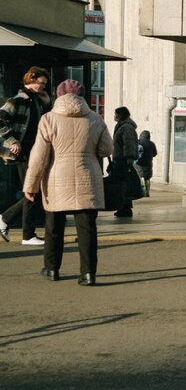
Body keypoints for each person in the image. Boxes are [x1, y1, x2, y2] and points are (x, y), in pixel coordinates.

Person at [22, 79, 113, 285]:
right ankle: (88, 273)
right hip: (87, 177)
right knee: (87, 228)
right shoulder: (95, 119)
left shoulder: (48, 119)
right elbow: (107, 149)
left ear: (58, 95)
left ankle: (52, 268)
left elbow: (39, 156)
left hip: (56, 178)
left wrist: (31, 186)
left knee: (53, 226)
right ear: (81, 95)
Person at [0, 66, 51, 245]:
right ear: (31, 80)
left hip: (33, 152)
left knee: (32, 191)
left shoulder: (36, 100)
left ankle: (7, 220)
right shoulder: (19, 99)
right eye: (41, 83)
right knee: (31, 191)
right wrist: (12, 140)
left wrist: (47, 103)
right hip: (24, 153)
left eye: (45, 84)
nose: (43, 86)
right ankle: (26, 234)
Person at [109, 107, 138, 218]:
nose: (114, 116)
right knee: (121, 184)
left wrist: (129, 157)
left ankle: (125, 207)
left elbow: (129, 143)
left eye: (116, 114)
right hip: (119, 158)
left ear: (120, 115)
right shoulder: (122, 126)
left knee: (124, 184)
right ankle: (122, 206)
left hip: (123, 159)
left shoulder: (126, 127)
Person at [135, 129, 157, 197]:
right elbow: (155, 154)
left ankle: (142, 192)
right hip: (148, 164)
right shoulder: (152, 143)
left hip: (139, 164)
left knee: (140, 177)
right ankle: (147, 192)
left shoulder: (138, 143)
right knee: (147, 178)